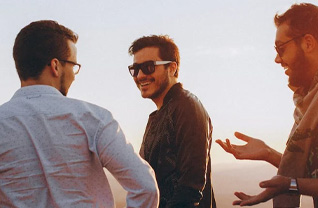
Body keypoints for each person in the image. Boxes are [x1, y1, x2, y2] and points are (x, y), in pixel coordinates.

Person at [0, 20, 159, 208]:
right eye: (73, 65)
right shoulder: (93, 119)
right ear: (55, 66)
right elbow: (145, 187)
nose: (74, 75)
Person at [216, 3, 318, 208]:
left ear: (308, 43)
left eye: (281, 48)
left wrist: (292, 185)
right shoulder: (315, 99)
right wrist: (268, 153)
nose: (277, 59)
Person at [128, 35, 216, 208]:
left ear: (172, 68)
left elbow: (190, 188)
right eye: (135, 69)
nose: (139, 76)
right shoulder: (158, 116)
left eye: (148, 67)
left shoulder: (187, 107)